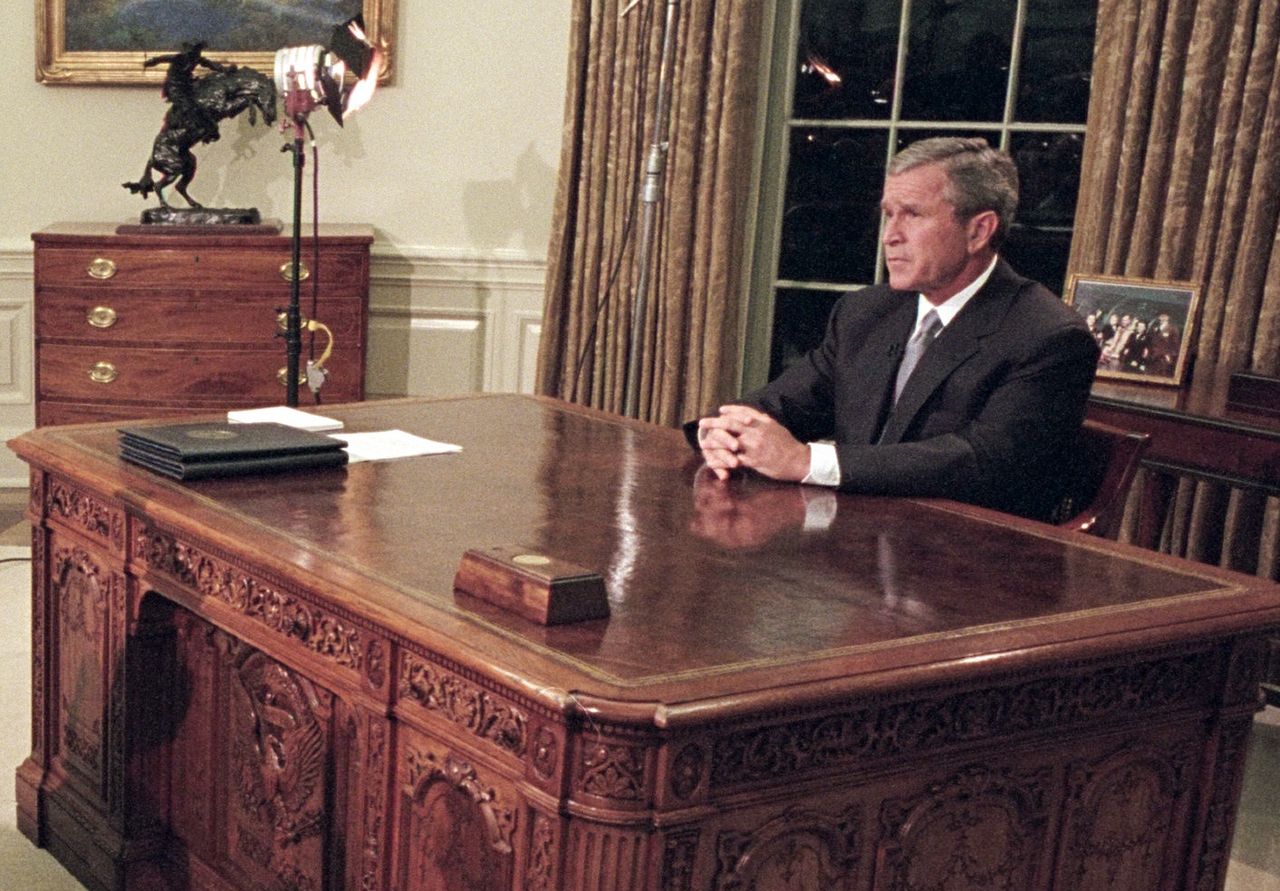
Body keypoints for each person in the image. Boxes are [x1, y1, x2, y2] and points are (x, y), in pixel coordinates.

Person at [690, 137, 1100, 522]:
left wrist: (805, 461)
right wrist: (725, 432)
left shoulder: (1048, 337)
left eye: (913, 214)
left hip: (971, 563)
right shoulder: (866, 312)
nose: (890, 236)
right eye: (888, 214)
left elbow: (983, 463)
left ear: (978, 230)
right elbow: (784, 402)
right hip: (856, 543)